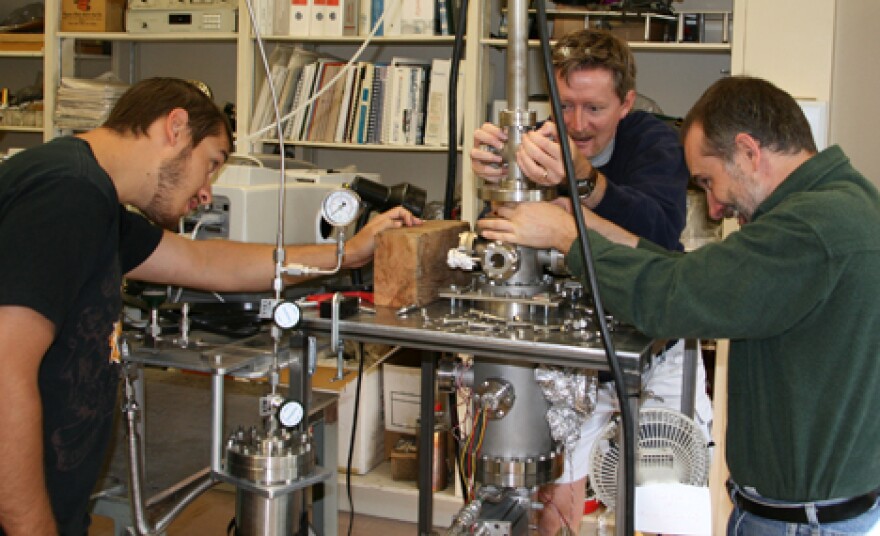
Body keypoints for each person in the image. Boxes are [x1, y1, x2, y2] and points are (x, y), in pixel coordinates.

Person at [0, 77, 420, 536]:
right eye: (211, 164)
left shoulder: (95, 201)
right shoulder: (67, 193)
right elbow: (5, 369)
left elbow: (204, 261)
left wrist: (347, 254)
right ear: (174, 127)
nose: (205, 193)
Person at [478, 76, 880, 535]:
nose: (712, 208)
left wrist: (567, 240)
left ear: (748, 152)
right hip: (813, 510)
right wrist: (582, 226)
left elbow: (673, 297)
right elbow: (688, 272)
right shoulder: (843, 202)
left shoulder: (807, 229)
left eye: (708, 181)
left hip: (801, 523)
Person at [470, 29, 712, 535]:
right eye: (566, 105)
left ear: (626, 102)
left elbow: (660, 231)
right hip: (571, 353)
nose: (577, 125)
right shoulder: (539, 141)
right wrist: (496, 176)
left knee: (660, 501)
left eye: (594, 109)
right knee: (555, 500)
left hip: (652, 343)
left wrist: (583, 186)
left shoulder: (654, 140)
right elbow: (502, 236)